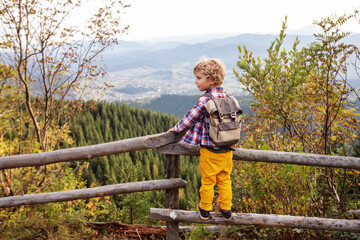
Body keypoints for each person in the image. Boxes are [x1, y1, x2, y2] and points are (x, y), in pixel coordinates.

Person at [168, 58, 233, 220]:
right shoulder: (229, 97)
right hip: (227, 149)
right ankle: (226, 210)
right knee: (225, 179)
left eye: (199, 78)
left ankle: (205, 209)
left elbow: (190, 118)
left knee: (208, 180)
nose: (195, 81)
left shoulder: (206, 99)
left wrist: (176, 129)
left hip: (210, 149)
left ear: (211, 80)